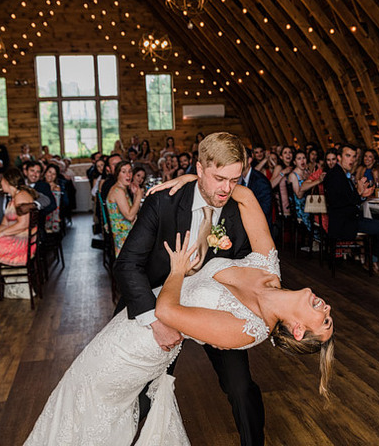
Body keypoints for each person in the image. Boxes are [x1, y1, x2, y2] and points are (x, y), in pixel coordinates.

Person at [24, 179, 334, 446]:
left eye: (325, 321)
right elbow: (246, 196)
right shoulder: (268, 266)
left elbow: (168, 311)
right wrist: (194, 179)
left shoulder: (248, 328)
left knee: (236, 388)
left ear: (298, 330)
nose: (328, 308)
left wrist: (178, 270)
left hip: (161, 327)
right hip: (142, 319)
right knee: (88, 388)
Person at [112, 132, 266, 446]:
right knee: (141, 393)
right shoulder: (164, 202)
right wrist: (154, 322)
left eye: (234, 180)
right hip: (157, 303)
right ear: (198, 169)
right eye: (219, 179)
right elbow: (127, 264)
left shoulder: (239, 209)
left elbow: (245, 265)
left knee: (241, 388)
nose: (226, 189)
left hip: (212, 306)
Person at [323, 144, 379, 274]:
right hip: (344, 223)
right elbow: (337, 202)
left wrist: (362, 195)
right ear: (339, 157)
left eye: (353, 157)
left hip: (350, 219)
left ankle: (372, 259)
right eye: (348, 156)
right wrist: (358, 193)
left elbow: (348, 199)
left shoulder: (342, 174)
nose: (351, 160)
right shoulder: (334, 175)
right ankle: (373, 260)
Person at [0, 168, 37, 266]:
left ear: (8, 182)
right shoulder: (13, 198)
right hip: (16, 237)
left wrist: (1, 234)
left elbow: (24, 224)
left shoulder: (21, 196)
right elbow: (4, 224)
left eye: (2, 181)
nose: (0, 184)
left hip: (23, 242)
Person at [105, 161, 143, 256]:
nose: (128, 175)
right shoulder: (118, 191)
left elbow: (131, 211)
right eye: (124, 172)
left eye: (130, 171)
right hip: (123, 237)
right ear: (117, 174)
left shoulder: (122, 188)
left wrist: (135, 195)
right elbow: (130, 216)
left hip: (126, 231)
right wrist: (139, 196)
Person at [288, 150, 325, 245]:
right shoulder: (293, 175)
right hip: (299, 207)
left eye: (304, 158)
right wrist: (313, 182)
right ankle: (319, 240)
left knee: (322, 211)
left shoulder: (307, 172)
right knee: (315, 215)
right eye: (299, 159)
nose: (302, 161)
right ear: (294, 162)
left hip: (309, 203)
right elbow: (299, 195)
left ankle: (321, 241)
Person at [242, 148, 272, 226]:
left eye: (240, 159)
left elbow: (264, 211)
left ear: (249, 160)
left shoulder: (260, 181)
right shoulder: (237, 179)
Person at [270, 146, 295, 216]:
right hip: (284, 203)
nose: (288, 154)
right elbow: (271, 185)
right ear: (281, 157)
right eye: (285, 153)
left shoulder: (295, 167)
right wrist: (283, 173)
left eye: (290, 152)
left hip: (295, 202)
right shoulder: (279, 167)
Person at [42, 164, 66, 234]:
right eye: (49, 172)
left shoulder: (56, 188)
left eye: (54, 174)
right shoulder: (40, 185)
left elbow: (56, 207)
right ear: (45, 173)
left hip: (52, 216)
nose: (51, 175)